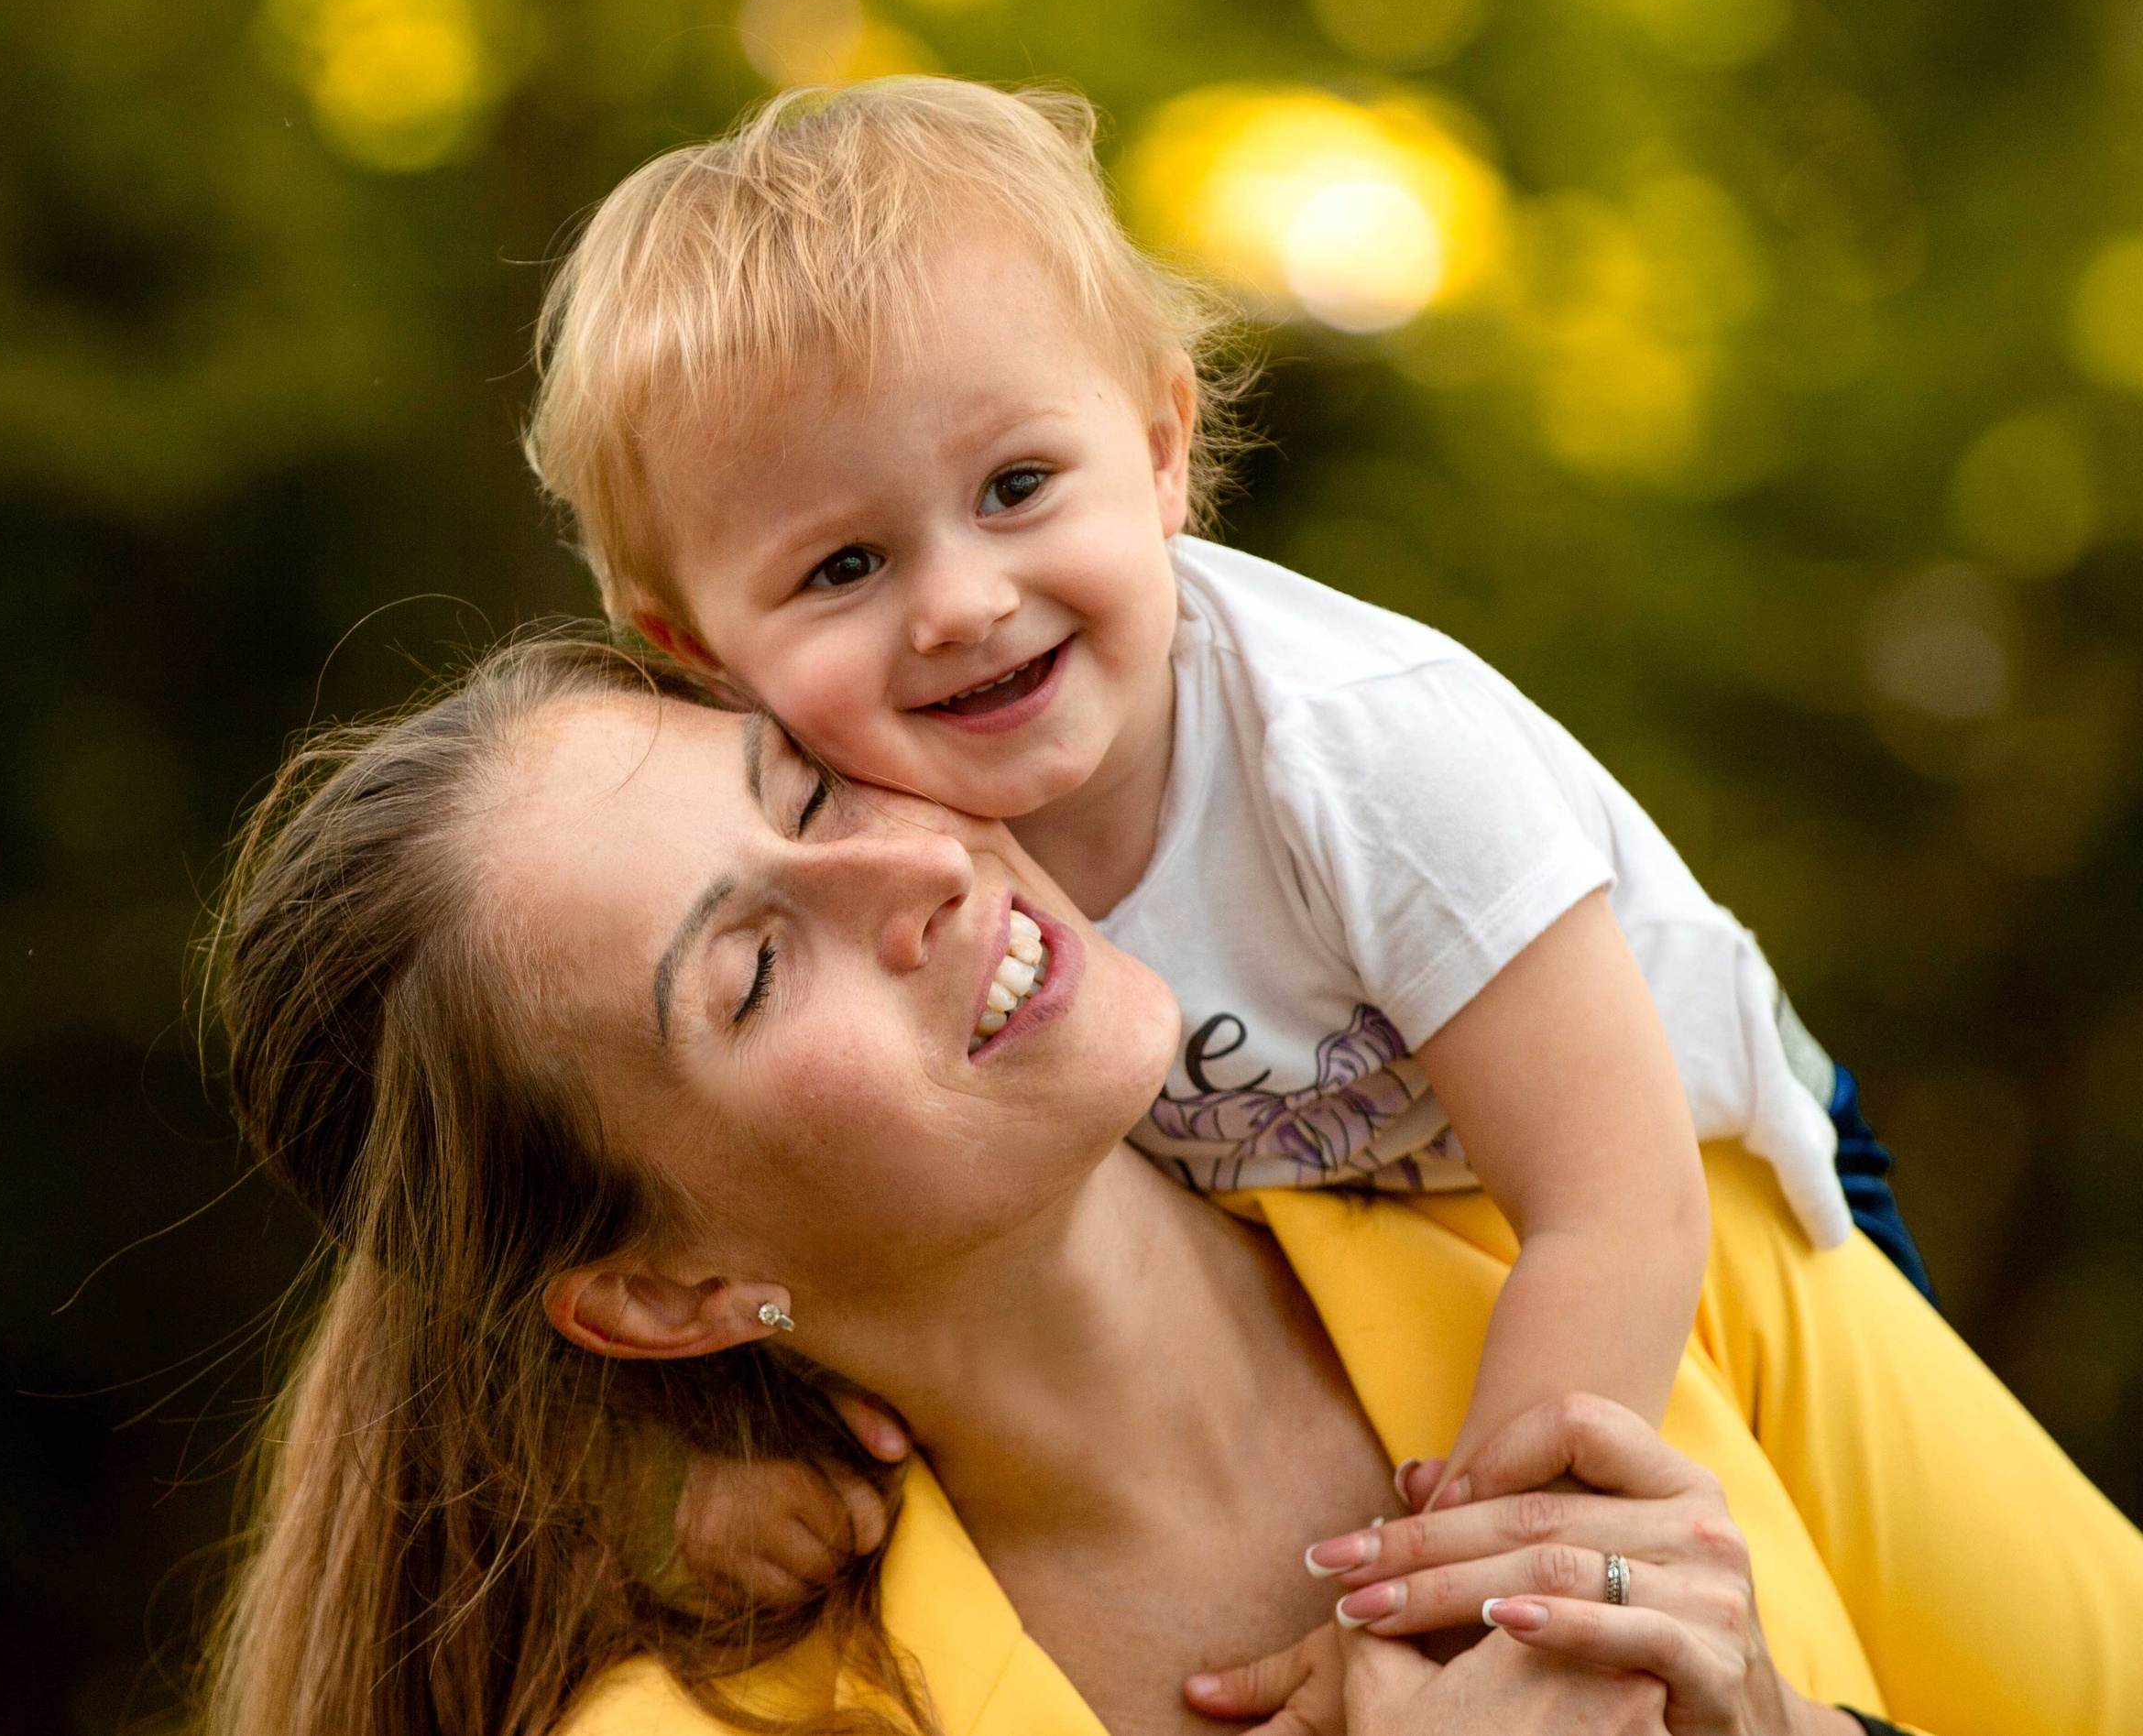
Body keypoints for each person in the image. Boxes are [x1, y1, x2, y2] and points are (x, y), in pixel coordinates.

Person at [194, 639, 2143, 1736]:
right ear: (665, 1287)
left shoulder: (1658, 1232)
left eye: (806, 790)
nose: (917, 873)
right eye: (753, 965)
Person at [519, 76, 1929, 1589]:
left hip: (1700, 1182)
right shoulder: (877, 861)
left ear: (1162, 446)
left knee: (1899, 1593)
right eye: (843, 563)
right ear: (700, 653)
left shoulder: (1364, 753)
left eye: (1015, 486)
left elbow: (1615, 1206)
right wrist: (722, 1449)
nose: (960, 603)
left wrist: (1462, 1597)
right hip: (1391, 1226)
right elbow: (827, 1218)